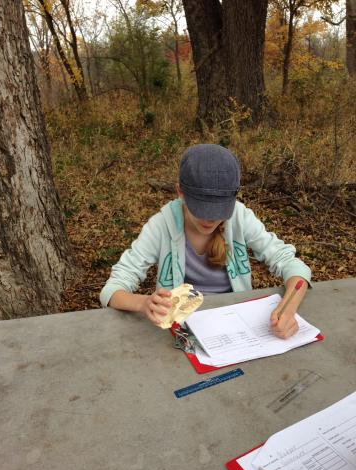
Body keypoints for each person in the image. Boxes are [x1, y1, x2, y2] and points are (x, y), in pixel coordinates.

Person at [100, 144, 311, 339]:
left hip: (236, 326)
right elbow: (112, 291)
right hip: (181, 330)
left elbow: (292, 265)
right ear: (180, 192)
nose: (209, 219)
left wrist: (287, 309)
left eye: (219, 210)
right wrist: (144, 303)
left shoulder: (239, 217)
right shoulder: (161, 226)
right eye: (200, 208)